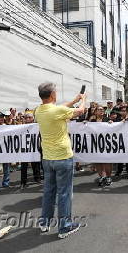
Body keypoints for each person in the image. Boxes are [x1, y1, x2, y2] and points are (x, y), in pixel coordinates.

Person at [35, 82, 86, 239]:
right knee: (64, 193)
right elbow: (81, 111)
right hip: (63, 157)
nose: (56, 94)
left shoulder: (38, 111)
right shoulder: (58, 110)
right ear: (52, 95)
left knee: (49, 191)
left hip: (48, 159)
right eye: (55, 92)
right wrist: (83, 99)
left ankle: (45, 223)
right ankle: (64, 227)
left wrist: (74, 99)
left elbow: (61, 108)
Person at [89, 106, 112, 187]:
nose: (101, 110)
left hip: (106, 144)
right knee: (98, 161)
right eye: (99, 109)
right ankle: (101, 176)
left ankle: (108, 177)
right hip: (96, 144)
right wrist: (84, 123)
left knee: (106, 162)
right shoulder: (92, 121)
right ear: (95, 112)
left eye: (102, 109)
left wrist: (111, 124)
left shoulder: (107, 120)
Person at [20, 113, 42, 189]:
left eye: (29, 117)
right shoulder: (21, 127)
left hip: (34, 147)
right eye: (26, 117)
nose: (28, 119)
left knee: (36, 163)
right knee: (24, 166)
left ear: (33, 118)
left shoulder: (37, 126)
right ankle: (23, 182)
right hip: (24, 149)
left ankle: (37, 178)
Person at [115, 105, 128, 178]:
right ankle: (119, 170)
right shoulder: (117, 119)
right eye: (122, 111)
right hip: (119, 140)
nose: (123, 112)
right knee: (120, 157)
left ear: (127, 112)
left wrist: (125, 120)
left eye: (124, 111)